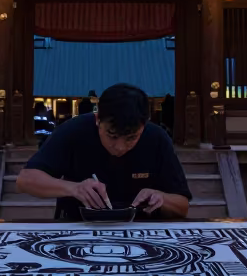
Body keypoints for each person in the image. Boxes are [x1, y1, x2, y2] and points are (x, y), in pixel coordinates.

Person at [17, 83, 192, 220]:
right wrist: (74, 188)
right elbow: (25, 180)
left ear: (144, 125)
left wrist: (161, 198)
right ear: (97, 118)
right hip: (78, 226)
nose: (120, 147)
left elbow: (182, 206)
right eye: (112, 135)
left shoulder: (157, 138)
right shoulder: (74, 131)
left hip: (142, 229)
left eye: (131, 138)